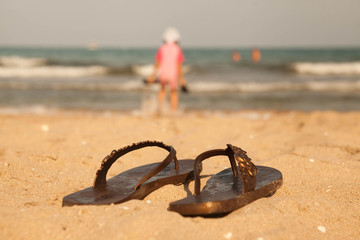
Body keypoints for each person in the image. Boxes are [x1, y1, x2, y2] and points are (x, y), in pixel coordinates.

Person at [147, 27, 187, 112]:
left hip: (163, 74)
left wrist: (152, 76)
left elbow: (157, 64)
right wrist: (182, 80)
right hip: (173, 75)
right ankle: (173, 110)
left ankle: (160, 108)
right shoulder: (178, 50)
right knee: (173, 92)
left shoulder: (161, 49)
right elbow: (179, 66)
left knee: (162, 90)